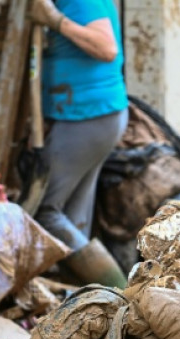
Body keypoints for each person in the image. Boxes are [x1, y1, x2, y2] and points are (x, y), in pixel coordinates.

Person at [27, 0, 128, 288]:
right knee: (73, 217)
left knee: (45, 212)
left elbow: (106, 48)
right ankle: (91, 300)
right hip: (94, 115)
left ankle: (121, 293)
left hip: (86, 115)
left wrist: (55, 21)